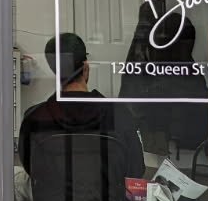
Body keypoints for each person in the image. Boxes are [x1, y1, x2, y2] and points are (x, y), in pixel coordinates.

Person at [18, 31, 146, 184]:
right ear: (86, 68)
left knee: (18, 179)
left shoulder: (34, 118)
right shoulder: (119, 114)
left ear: (54, 71)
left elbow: (32, 169)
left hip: (54, 198)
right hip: (108, 199)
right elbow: (136, 170)